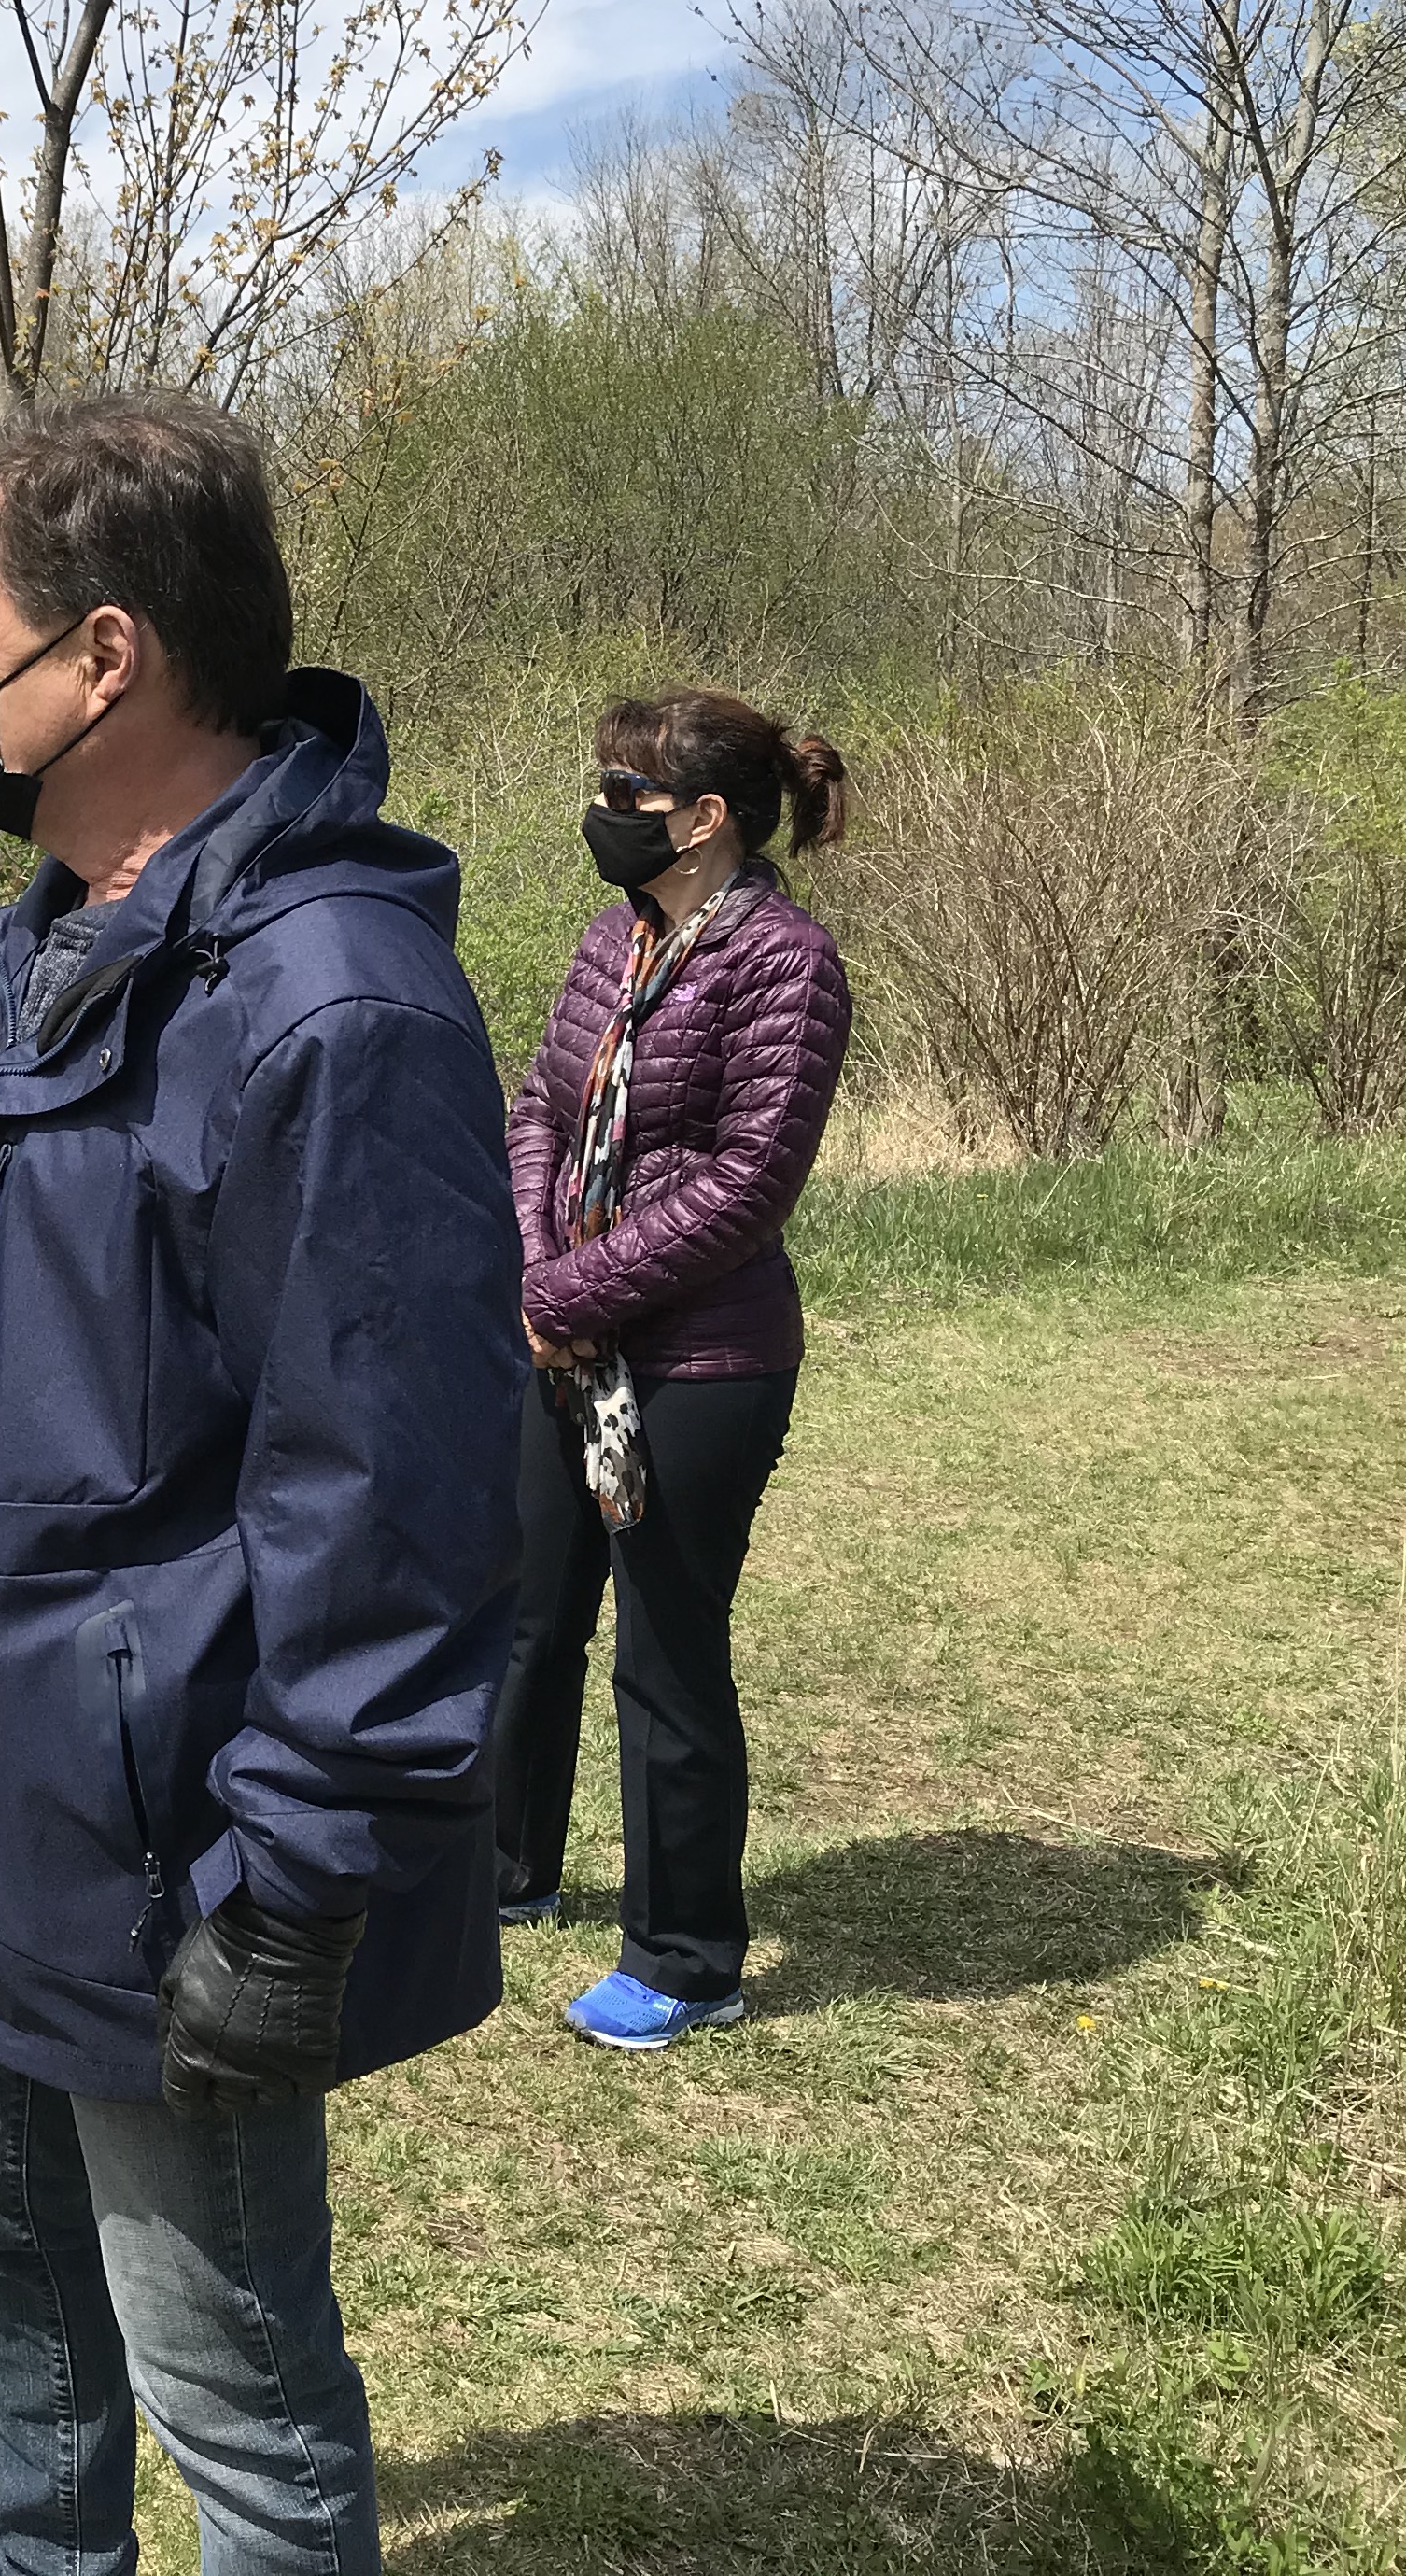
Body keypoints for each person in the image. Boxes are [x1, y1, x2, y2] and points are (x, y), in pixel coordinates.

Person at [0, 396, 527, 2576]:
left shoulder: (330, 1003)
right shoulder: (58, 936)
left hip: (173, 1823)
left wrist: (294, 1881)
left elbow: (390, 1493)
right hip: (7, 1772)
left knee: (224, 2357)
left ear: (103, 658)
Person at [491, 688, 853, 2054]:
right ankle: (509, 1865)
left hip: (700, 1364)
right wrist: (539, 1280)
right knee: (527, 1614)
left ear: (705, 820)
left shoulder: (787, 965)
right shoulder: (616, 936)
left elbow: (749, 1183)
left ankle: (688, 1956)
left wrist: (577, 1293)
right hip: (564, 1344)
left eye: (626, 794)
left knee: (667, 1651)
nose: (603, 810)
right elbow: (541, 1102)